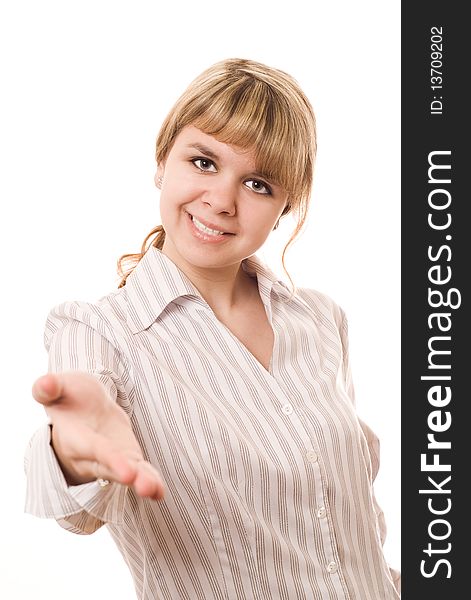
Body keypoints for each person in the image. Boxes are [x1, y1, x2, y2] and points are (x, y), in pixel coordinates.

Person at [25, 58, 400, 599]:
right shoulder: (99, 332)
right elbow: (70, 509)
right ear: (163, 161)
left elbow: (351, 526)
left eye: (257, 183)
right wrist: (71, 453)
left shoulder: (320, 321)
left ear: (285, 206)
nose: (222, 201)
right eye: (203, 162)